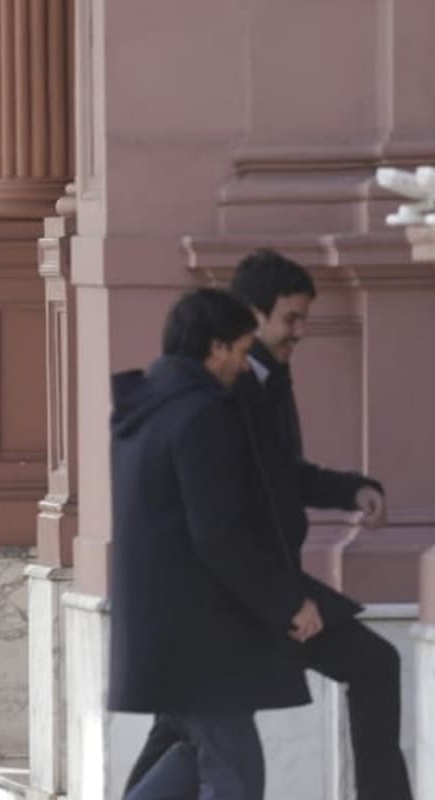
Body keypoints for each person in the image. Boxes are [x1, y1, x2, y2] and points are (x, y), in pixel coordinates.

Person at [125, 250, 414, 799]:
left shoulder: (267, 377)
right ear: (251, 317)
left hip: (248, 582)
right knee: (199, 725)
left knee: (188, 721)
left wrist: (352, 489)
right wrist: (283, 599)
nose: (301, 332)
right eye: (291, 318)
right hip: (234, 588)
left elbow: (280, 474)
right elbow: (216, 525)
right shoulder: (219, 391)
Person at [109, 288, 321, 800]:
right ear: (216, 348)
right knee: (236, 772)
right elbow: (219, 533)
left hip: (166, 630)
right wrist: (286, 602)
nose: (247, 366)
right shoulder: (203, 414)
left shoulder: (146, 410)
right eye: (244, 350)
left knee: (190, 756)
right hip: (202, 634)